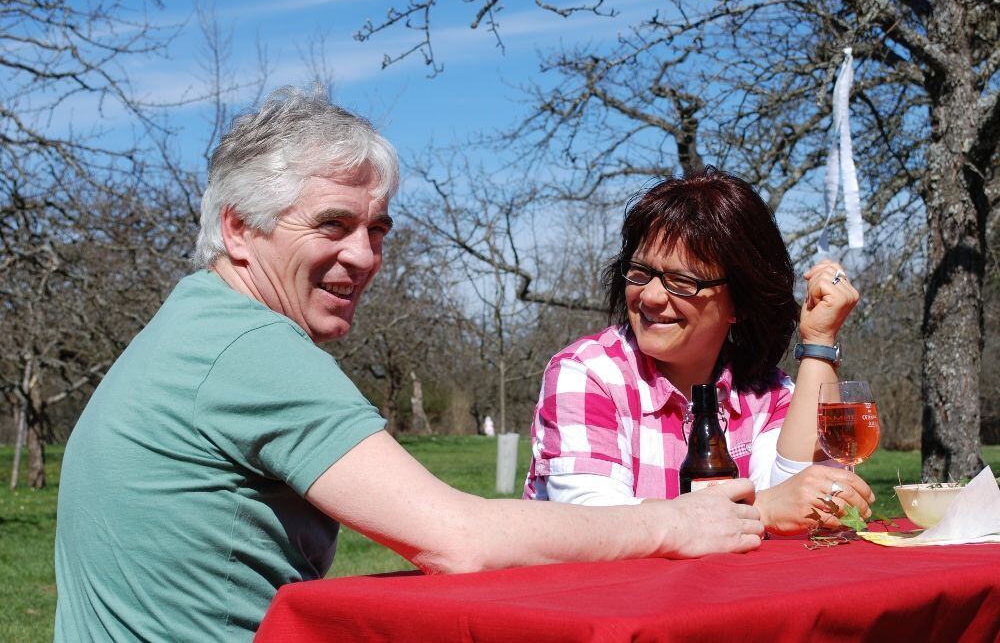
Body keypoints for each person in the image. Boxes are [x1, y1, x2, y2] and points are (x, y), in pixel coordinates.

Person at [54, 87, 765, 642]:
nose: (364, 255)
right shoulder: (247, 348)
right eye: (332, 223)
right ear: (240, 228)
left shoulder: (194, 321)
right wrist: (674, 522)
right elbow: (459, 540)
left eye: (377, 229)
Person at [523, 168, 876, 535]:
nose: (651, 296)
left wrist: (819, 339)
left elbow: (804, 507)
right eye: (641, 272)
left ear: (739, 303)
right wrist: (763, 512)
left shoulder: (768, 395)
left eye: (682, 281)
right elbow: (590, 524)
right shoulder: (588, 373)